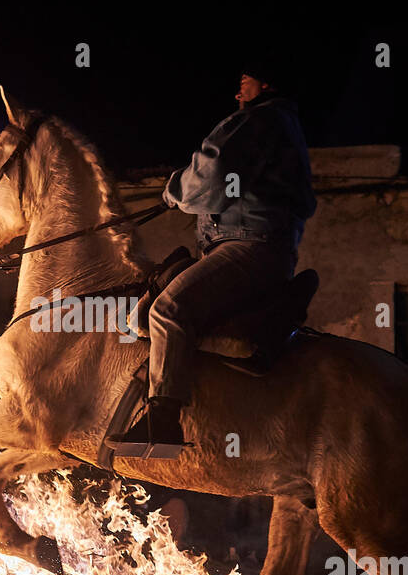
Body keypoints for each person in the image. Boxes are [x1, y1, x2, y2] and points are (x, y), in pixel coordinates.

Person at [107, 56, 318, 458]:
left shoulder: (260, 121)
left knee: (168, 309)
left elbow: (214, 171)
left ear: (267, 84)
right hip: (256, 247)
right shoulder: (279, 124)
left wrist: (174, 191)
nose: (239, 90)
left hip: (249, 247)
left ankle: (164, 419)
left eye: (246, 80)